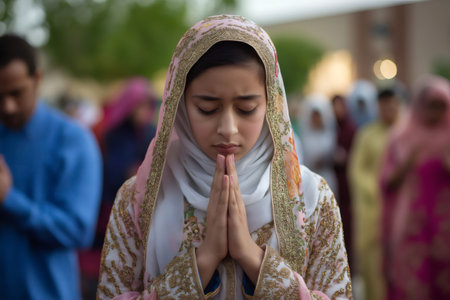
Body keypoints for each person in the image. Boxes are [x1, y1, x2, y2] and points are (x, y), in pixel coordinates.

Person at [97, 15, 352, 299]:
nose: (228, 129)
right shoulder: (139, 199)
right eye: (207, 108)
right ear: (179, 106)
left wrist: (253, 259)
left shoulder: (312, 197)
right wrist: (203, 261)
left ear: (270, 104)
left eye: (246, 109)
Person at [0, 34, 102, 299]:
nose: (7, 107)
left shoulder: (74, 140)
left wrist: (10, 200)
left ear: (37, 79)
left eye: (16, 93)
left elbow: (77, 231)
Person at [79, 77, 158, 298]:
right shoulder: (112, 132)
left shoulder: (151, 132)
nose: (143, 111)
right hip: (108, 205)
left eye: (147, 105)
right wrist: (129, 173)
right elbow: (108, 169)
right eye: (139, 105)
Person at [380, 76, 450, 299]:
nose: (436, 112)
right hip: (412, 227)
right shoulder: (402, 138)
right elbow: (386, 183)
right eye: (431, 105)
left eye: (442, 106)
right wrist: (407, 164)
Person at [348, 88, 401, 300]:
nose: (389, 109)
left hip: (402, 207)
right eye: (384, 105)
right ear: (378, 107)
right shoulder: (367, 134)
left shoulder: (408, 132)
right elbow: (357, 170)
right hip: (373, 208)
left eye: (393, 104)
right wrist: (376, 190)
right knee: (373, 264)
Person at [331, 94, 357, 266]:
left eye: (340, 106)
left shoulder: (351, 128)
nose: (337, 110)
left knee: (347, 222)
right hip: (333, 178)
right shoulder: (331, 127)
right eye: (334, 106)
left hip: (347, 181)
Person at [300, 94, 338, 193]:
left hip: (328, 179)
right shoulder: (304, 137)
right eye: (314, 116)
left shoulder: (330, 135)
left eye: (319, 116)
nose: (316, 119)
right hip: (310, 180)